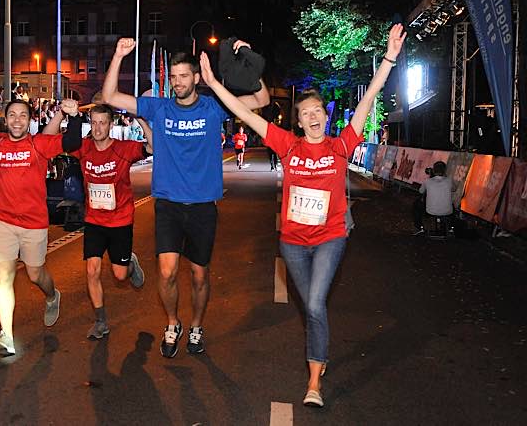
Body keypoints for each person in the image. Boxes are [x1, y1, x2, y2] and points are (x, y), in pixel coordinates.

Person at [198, 23, 405, 407]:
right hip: (293, 243)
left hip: (329, 238)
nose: (312, 118)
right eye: (305, 113)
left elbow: (369, 98)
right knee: (310, 305)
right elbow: (241, 110)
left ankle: (314, 382)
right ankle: (318, 357)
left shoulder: (342, 144)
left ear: (324, 117)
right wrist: (212, 81)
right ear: (297, 121)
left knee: (313, 305)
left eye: (316, 112)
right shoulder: (287, 145)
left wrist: (390, 56)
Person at [102, 37, 270, 358]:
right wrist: (119, 55)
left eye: (183, 76)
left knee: (199, 274)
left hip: (203, 207)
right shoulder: (159, 108)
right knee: (166, 272)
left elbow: (260, 99)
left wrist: (247, 62)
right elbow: (110, 96)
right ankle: (172, 322)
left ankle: (195, 325)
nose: (178, 82)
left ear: (195, 77)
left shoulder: (213, 107)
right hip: (167, 205)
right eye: (174, 77)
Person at [0, 98, 83, 356]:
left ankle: (52, 296)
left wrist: (74, 117)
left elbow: (72, 142)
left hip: (34, 222)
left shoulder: (38, 144)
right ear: (4, 119)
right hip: (3, 220)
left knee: (34, 274)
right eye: (12, 115)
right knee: (4, 276)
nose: (17, 120)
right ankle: (6, 335)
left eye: (23, 115)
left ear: (29, 120)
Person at [47, 104, 153, 339]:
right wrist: (62, 114)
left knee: (120, 276)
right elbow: (48, 140)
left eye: (102, 122)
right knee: (92, 270)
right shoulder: (82, 147)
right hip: (94, 220)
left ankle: (131, 264)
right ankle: (101, 321)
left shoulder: (123, 149)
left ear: (111, 125)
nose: (97, 128)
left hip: (121, 220)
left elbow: (154, 146)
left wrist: (141, 119)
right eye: (93, 123)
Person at [413, 161, 453, 235]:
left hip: (430, 211)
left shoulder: (427, 181)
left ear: (434, 170)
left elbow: (421, 191)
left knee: (416, 205)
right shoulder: (449, 181)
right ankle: (451, 228)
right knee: (452, 203)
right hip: (447, 211)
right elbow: (454, 189)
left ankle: (420, 228)